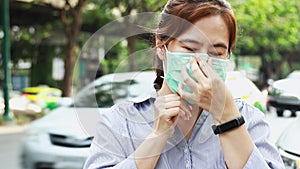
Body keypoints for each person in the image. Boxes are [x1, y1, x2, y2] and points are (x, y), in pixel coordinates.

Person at [84, 0, 284, 168]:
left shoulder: (249, 120)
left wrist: (227, 117)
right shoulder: (119, 122)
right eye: (190, 48)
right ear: (161, 46)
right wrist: (157, 137)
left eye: (217, 53)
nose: (203, 61)